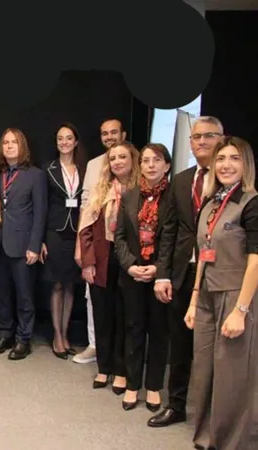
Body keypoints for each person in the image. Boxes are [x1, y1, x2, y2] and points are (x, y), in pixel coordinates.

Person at [185, 136, 258, 450]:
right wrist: (193, 299)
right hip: (206, 295)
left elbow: (256, 261)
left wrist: (240, 311)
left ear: (246, 164)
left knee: (232, 375)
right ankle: (206, 439)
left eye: (234, 158)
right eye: (221, 159)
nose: (226, 165)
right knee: (204, 371)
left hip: (236, 295)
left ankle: (231, 443)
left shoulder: (251, 203)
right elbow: (203, 253)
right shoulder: (211, 202)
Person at [149, 116, 222, 428]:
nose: (201, 142)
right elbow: (169, 230)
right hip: (182, 273)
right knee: (179, 344)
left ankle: (216, 412)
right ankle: (177, 405)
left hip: (219, 274)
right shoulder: (181, 180)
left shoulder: (230, 177)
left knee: (216, 348)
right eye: (196, 137)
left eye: (208, 136)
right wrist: (163, 274)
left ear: (222, 139)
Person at [78, 141, 139, 395]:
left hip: (130, 261)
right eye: (113, 158)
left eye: (122, 157)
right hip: (102, 260)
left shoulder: (140, 190)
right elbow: (85, 230)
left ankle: (121, 371)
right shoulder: (101, 190)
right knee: (102, 315)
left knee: (125, 317)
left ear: (132, 160)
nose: (117, 162)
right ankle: (103, 367)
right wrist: (88, 262)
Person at [113, 143, 172, 411]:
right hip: (133, 274)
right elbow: (120, 237)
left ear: (166, 165)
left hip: (161, 276)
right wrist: (130, 265)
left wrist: (159, 268)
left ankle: (154, 386)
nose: (150, 165)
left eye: (156, 160)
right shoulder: (129, 196)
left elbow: (174, 239)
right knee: (133, 328)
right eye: (146, 160)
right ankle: (133, 384)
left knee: (158, 331)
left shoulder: (174, 197)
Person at [0, 128, 47, 360]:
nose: (10, 146)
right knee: (1, 294)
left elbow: (40, 214)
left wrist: (35, 245)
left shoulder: (35, 175)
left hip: (24, 246)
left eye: (14, 142)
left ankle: (24, 339)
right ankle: (5, 333)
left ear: (22, 146)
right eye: (6, 142)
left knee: (24, 295)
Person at [74, 118, 129, 364]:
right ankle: (95, 345)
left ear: (123, 134)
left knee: (124, 301)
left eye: (113, 132)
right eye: (104, 133)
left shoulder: (135, 160)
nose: (109, 137)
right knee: (93, 296)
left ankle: (121, 353)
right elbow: (85, 205)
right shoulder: (94, 164)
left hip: (127, 244)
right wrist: (80, 247)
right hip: (98, 243)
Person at [41, 123, 86, 358]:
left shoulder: (85, 169)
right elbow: (42, 205)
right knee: (57, 284)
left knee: (71, 285)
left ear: (75, 141)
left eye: (69, 138)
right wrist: (41, 240)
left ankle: (66, 333)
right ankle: (57, 336)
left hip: (77, 232)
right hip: (55, 233)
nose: (64, 142)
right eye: (60, 138)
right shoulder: (47, 169)